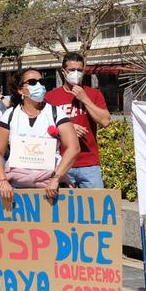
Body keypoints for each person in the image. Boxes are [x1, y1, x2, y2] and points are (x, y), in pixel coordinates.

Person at [0, 67, 80, 291]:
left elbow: (72, 147)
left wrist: (56, 177)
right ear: (20, 90)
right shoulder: (9, 116)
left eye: (42, 81)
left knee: (54, 247)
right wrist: (2, 181)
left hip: (48, 191)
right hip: (17, 192)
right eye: (32, 82)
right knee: (20, 250)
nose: (39, 85)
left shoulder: (55, 112)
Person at [44, 52, 111, 189]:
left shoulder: (94, 94)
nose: (76, 73)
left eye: (79, 70)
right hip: (60, 163)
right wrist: (67, 128)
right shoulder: (50, 97)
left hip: (89, 164)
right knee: (62, 209)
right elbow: (43, 127)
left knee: (95, 207)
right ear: (63, 72)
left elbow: (105, 121)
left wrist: (85, 99)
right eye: (71, 70)